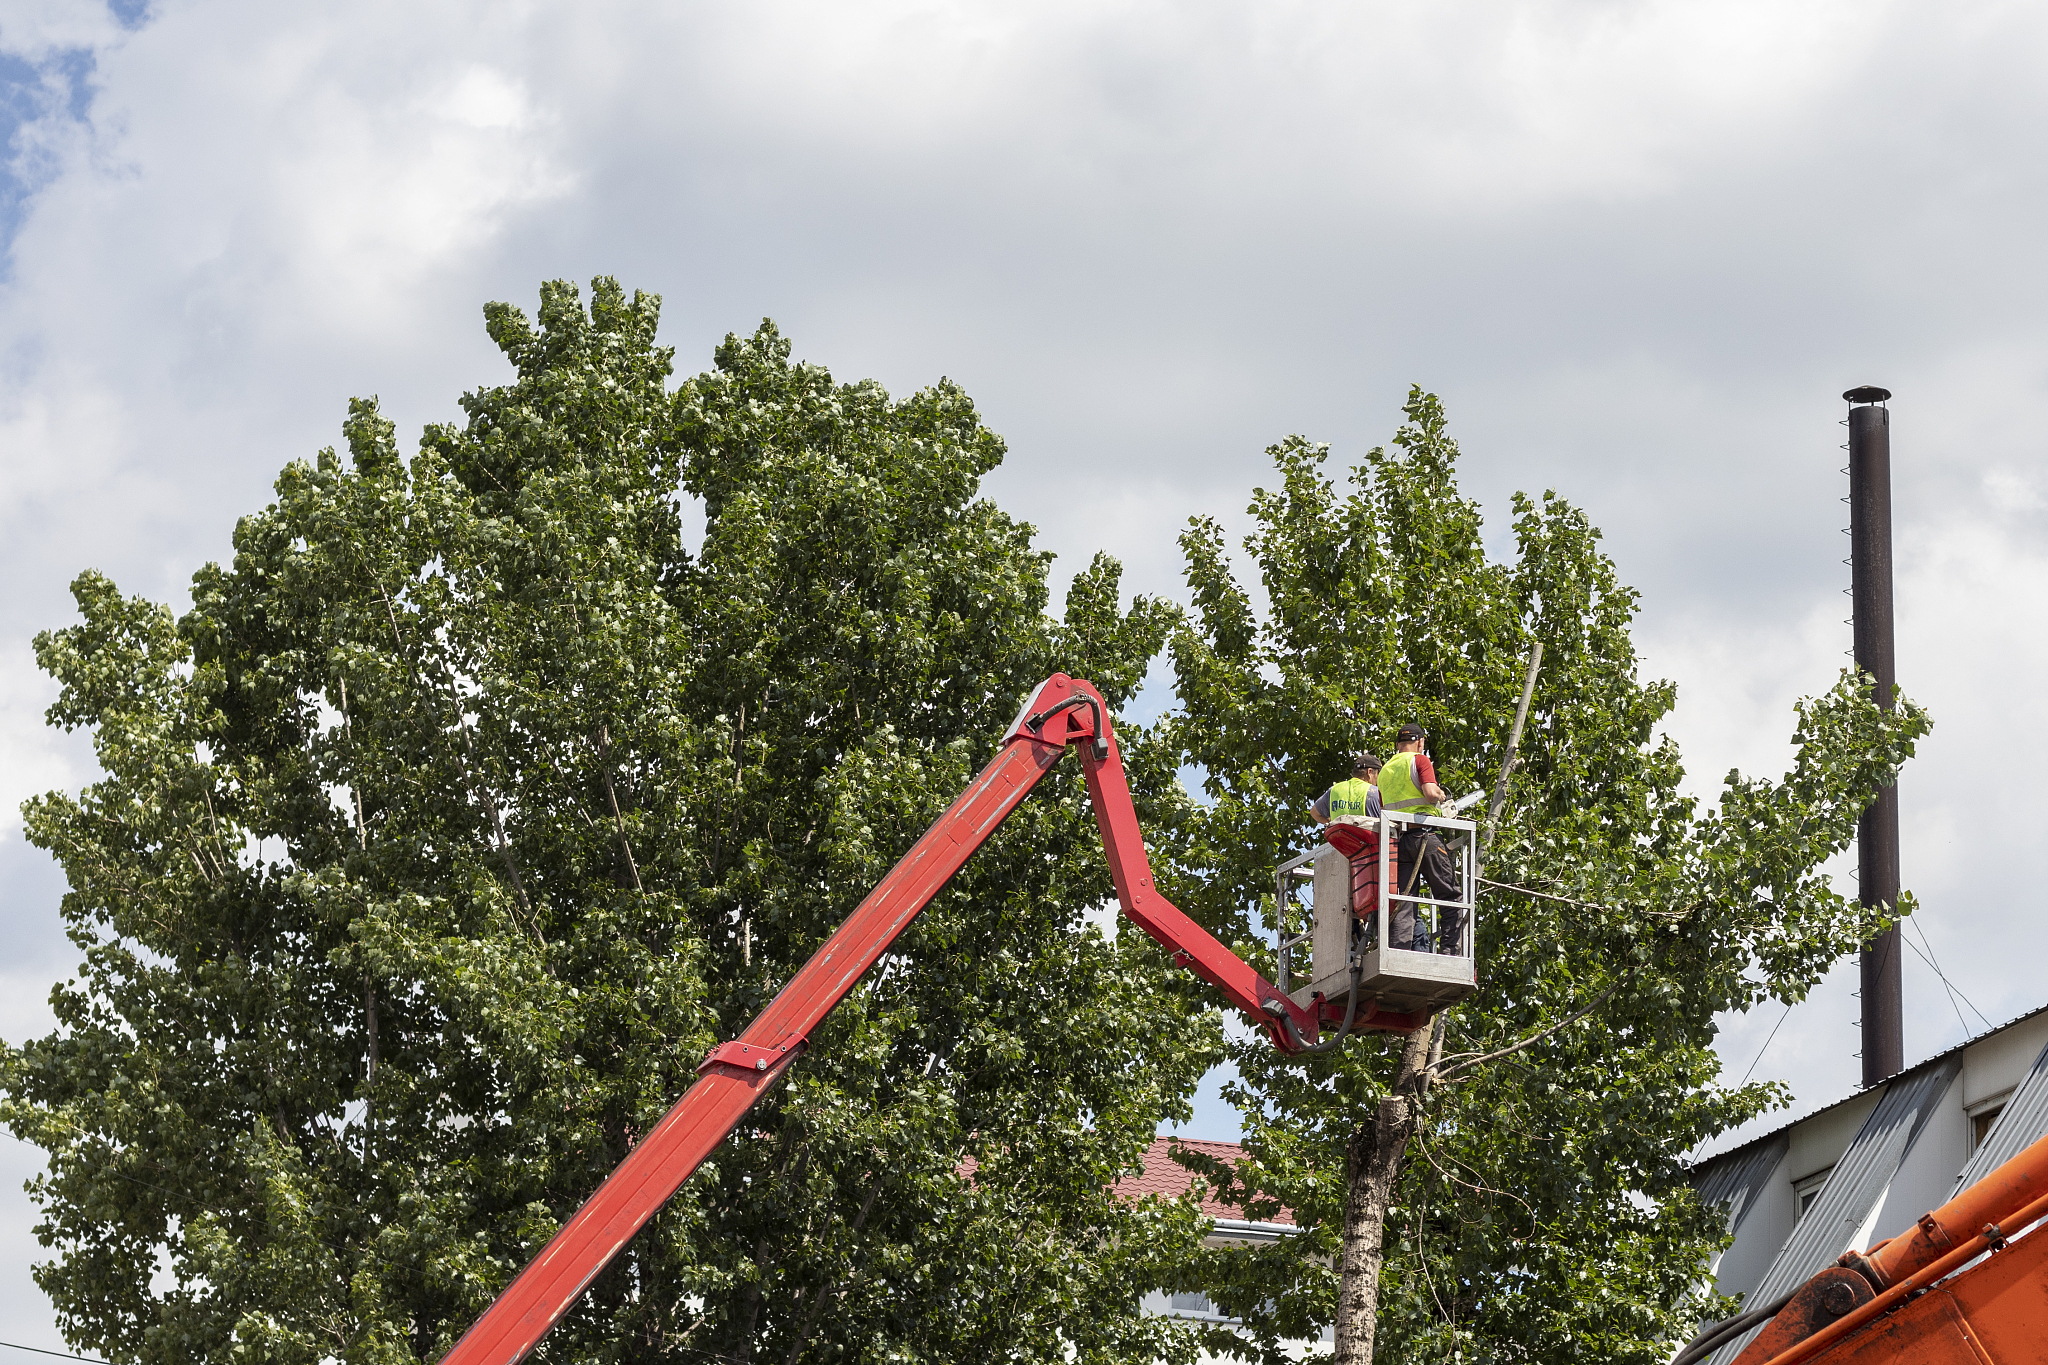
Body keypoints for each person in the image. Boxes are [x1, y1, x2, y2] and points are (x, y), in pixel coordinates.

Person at [1379, 723, 1464, 954]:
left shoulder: (1384, 771)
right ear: (1420, 742)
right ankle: (1450, 952)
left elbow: (1383, 806)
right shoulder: (1420, 760)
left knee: (1404, 901)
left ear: (1398, 744)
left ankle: (1398, 952)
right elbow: (1429, 793)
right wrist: (1441, 794)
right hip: (1425, 837)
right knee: (1450, 895)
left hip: (1399, 842)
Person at [1311, 753, 1381, 825]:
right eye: (1378, 773)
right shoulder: (1376, 793)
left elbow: (1314, 812)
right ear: (1369, 772)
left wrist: (1331, 824)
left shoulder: (1334, 790)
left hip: (1339, 832)